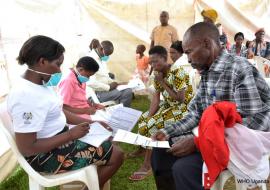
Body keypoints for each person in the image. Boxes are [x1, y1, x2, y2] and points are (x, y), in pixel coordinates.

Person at [151, 22, 270, 190]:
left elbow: (250, 125)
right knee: (159, 154)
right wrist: (167, 131)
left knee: (183, 169)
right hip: (213, 136)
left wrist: (198, 142)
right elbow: (195, 113)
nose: (188, 59)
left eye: (189, 52)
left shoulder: (239, 68)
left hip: (243, 146)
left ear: (206, 44)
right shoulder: (207, 73)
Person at [7, 35, 124, 189]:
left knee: (107, 140)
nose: (60, 70)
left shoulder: (40, 84)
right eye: (57, 64)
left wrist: (92, 122)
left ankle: (91, 182)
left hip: (59, 141)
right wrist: (70, 135)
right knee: (117, 155)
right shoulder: (25, 96)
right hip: (46, 156)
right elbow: (28, 148)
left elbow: (59, 111)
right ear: (42, 62)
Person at [128, 46, 193, 181]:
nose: (152, 65)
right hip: (169, 105)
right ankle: (142, 148)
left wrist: (162, 82)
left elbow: (180, 99)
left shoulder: (178, 72)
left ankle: (147, 164)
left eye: (156, 62)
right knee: (145, 119)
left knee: (153, 126)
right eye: (151, 62)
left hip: (183, 108)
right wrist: (150, 116)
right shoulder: (157, 73)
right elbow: (156, 99)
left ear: (164, 59)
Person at [87, 39, 133, 107]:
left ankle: (120, 112)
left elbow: (105, 76)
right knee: (127, 92)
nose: (107, 57)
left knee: (126, 88)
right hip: (97, 94)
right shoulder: (91, 60)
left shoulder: (101, 59)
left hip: (104, 89)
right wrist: (109, 87)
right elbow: (90, 82)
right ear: (100, 49)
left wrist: (117, 83)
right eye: (107, 54)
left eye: (109, 55)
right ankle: (122, 114)